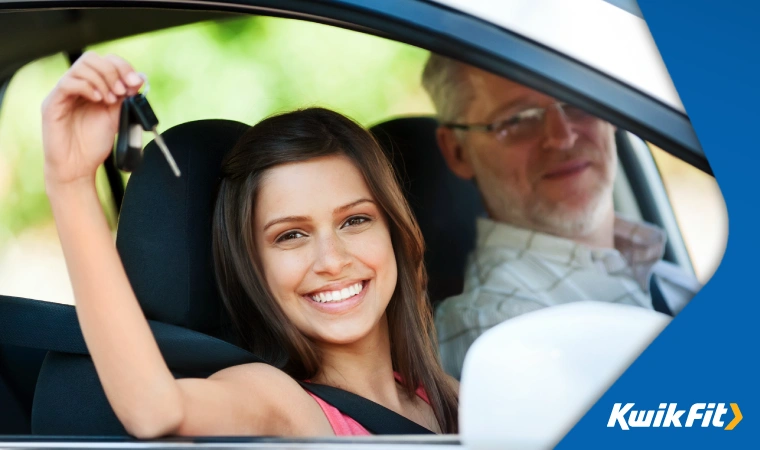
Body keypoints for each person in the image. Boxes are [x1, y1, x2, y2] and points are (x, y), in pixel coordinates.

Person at [42, 52, 457, 437]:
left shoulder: (450, 398)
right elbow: (156, 409)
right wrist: (72, 182)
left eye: (355, 220)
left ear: (396, 235)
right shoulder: (280, 402)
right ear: (253, 266)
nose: (332, 261)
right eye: (291, 235)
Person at [421, 54, 701, 379]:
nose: (562, 135)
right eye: (518, 119)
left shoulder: (662, 274)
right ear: (456, 150)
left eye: (576, 100)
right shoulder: (498, 327)